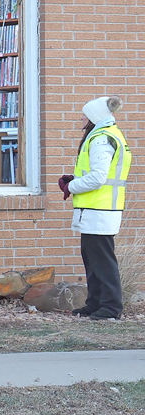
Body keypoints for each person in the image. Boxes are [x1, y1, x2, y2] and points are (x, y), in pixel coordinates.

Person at [59, 96, 132, 320]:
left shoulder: (100, 139)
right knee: (93, 259)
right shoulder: (108, 134)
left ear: (94, 118)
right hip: (98, 209)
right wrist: (76, 179)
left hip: (98, 210)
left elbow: (98, 178)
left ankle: (110, 308)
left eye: (85, 114)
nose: (81, 117)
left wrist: (71, 185)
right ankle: (95, 304)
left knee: (101, 261)